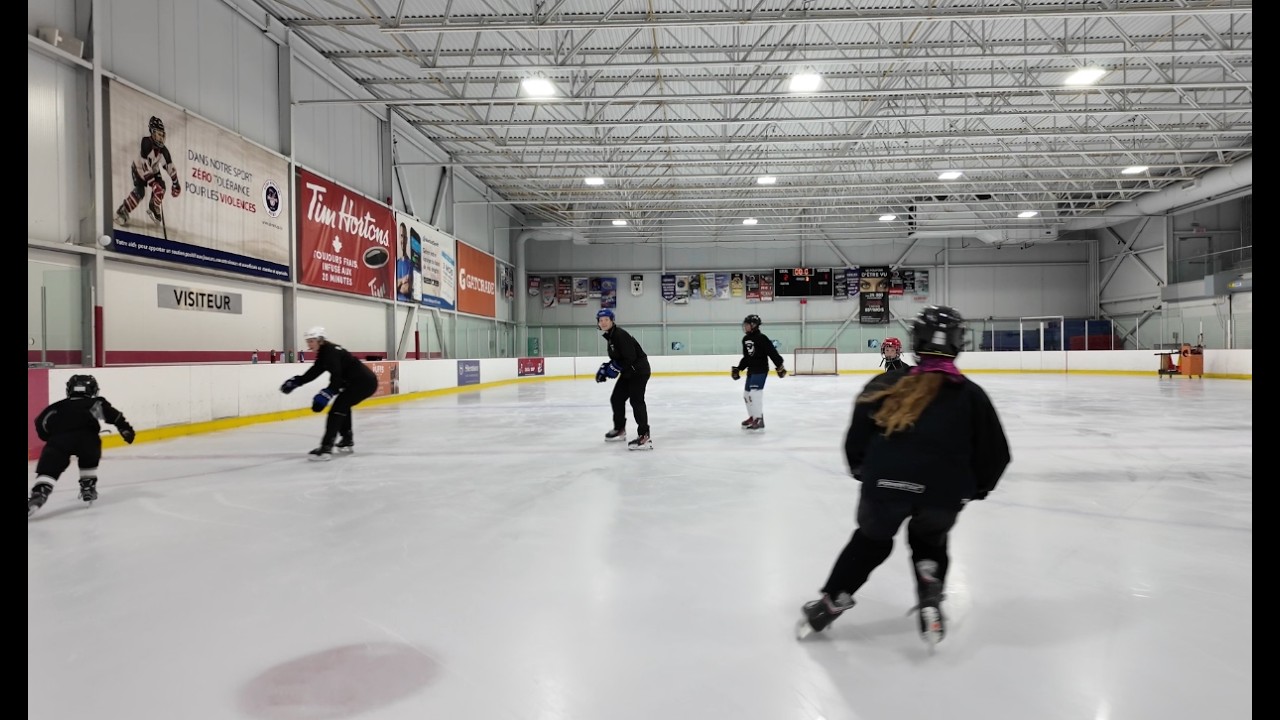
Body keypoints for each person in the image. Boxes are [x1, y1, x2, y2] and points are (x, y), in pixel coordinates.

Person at [797, 305, 1011, 648]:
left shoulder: (885, 383)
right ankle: (930, 590)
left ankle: (830, 603)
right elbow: (996, 454)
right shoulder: (971, 395)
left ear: (916, 341)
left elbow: (857, 440)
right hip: (942, 494)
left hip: (884, 488)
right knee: (930, 541)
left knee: (870, 542)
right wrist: (974, 489)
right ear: (959, 343)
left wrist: (864, 472)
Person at [28, 374, 136, 518]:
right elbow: (113, 415)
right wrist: (125, 429)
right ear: (92, 389)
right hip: (87, 439)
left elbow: (40, 423)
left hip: (59, 441)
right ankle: (88, 485)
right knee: (89, 457)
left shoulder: (56, 407)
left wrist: (49, 437)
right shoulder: (94, 403)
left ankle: (40, 492)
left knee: (49, 469)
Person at [279, 327, 379, 460]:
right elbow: (315, 371)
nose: (309, 344)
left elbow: (336, 376)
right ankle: (346, 439)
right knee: (343, 407)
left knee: (336, 410)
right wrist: (298, 381)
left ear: (320, 340)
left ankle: (326, 449)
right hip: (358, 382)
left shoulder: (329, 352)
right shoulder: (325, 352)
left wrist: (328, 393)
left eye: (312, 341)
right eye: (308, 341)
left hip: (362, 383)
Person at [594, 309, 653, 450]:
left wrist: (613, 369)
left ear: (612, 320)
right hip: (628, 372)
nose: (603, 322)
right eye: (600, 320)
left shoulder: (620, 335)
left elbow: (630, 357)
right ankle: (620, 429)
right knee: (616, 399)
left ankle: (644, 436)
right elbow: (618, 359)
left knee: (636, 401)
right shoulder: (611, 336)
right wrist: (606, 368)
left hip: (638, 372)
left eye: (606, 320)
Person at [114, 116, 180, 227]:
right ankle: (122, 211)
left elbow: (170, 167)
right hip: (139, 169)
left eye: (162, 134)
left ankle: (153, 206)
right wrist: (153, 184)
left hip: (153, 170)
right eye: (159, 134)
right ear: (152, 133)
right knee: (140, 192)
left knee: (161, 187)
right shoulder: (146, 143)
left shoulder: (164, 151)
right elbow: (145, 167)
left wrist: (176, 184)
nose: (161, 137)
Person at [731, 314, 787, 430]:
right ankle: (752, 417)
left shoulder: (762, 338)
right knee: (746, 395)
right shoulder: (745, 339)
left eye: (747, 325)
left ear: (754, 325)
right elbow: (747, 357)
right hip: (751, 370)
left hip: (761, 369)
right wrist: (739, 368)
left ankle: (759, 419)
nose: (745, 327)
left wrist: (779, 366)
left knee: (755, 394)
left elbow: (772, 353)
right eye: (745, 325)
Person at [395, 223, 414, 301]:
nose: (403, 240)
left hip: (407, 305)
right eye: (401, 236)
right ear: (398, 238)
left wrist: (397, 283)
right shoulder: (395, 263)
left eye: (405, 237)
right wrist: (402, 280)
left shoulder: (411, 264)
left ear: (407, 239)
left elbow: (407, 288)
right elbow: (392, 287)